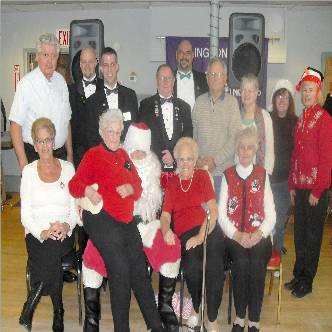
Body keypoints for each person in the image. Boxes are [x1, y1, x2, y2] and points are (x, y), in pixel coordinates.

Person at [78, 122, 181, 332]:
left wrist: (131, 189)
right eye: (110, 131)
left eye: (117, 132)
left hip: (138, 222)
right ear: (102, 132)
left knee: (139, 273)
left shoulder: (126, 160)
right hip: (108, 221)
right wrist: (88, 192)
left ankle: (158, 322)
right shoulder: (96, 155)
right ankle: (93, 319)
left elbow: (138, 186)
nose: (139, 156)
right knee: (119, 269)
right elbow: (76, 185)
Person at [19, 118, 77, 332]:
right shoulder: (28, 172)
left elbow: (74, 209)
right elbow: (25, 215)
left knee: (51, 250)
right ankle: (58, 310)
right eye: (39, 141)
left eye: (48, 140)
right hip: (37, 234)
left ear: (54, 142)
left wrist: (66, 225)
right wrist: (42, 232)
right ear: (34, 145)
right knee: (49, 250)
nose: (44, 146)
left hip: (64, 232)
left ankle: (32, 300)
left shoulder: (69, 169)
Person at [160, 137, 224, 332]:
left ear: (195, 160)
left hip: (208, 229)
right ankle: (197, 307)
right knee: (193, 268)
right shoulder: (172, 184)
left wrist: (200, 236)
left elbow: (213, 211)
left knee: (214, 266)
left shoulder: (203, 177)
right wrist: (166, 230)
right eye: (181, 159)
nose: (185, 163)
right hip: (185, 233)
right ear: (176, 161)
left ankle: (211, 317)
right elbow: (164, 216)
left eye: (189, 159)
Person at [218, 127, 276, 332]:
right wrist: (237, 234)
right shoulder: (227, 175)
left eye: (249, 148)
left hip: (259, 236)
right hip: (235, 237)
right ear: (237, 149)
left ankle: (254, 319)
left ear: (255, 151)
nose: (245, 152)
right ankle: (240, 317)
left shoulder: (263, 175)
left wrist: (259, 233)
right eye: (241, 147)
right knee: (241, 262)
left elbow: (272, 214)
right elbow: (222, 215)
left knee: (257, 262)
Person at [285, 67, 332, 298]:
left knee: (313, 236)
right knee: (300, 234)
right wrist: (292, 185)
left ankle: (307, 280)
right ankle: (299, 273)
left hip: (316, 190)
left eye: (310, 90)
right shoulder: (301, 119)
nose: (306, 94)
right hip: (300, 187)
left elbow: (327, 159)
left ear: (318, 92)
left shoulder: (325, 119)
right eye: (304, 90)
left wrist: (318, 189)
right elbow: (295, 154)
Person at [9, 33, 73, 170]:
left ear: (58, 57)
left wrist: (70, 155)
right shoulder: (26, 84)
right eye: (45, 55)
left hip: (60, 154)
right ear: (37, 57)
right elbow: (15, 126)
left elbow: (66, 121)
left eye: (53, 55)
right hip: (35, 156)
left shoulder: (61, 82)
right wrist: (24, 165)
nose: (49, 60)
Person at [192, 57, 241, 199]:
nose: (215, 78)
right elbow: (194, 138)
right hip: (201, 174)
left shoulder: (232, 103)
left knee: (222, 219)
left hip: (224, 175)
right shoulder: (199, 103)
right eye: (212, 74)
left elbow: (235, 139)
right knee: (203, 219)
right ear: (207, 78)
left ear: (225, 78)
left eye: (219, 74)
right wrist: (197, 161)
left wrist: (215, 161)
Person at [139, 64, 193, 188]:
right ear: (156, 80)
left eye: (169, 78)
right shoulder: (145, 105)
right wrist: (162, 155)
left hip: (179, 168)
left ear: (174, 81)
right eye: (162, 78)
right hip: (153, 169)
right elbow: (143, 136)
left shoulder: (185, 107)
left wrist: (174, 154)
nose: (165, 81)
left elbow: (188, 136)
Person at [84, 47, 138, 150]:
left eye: (112, 64)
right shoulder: (92, 101)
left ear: (117, 67)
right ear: (100, 68)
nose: (109, 69)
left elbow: (134, 128)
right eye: (105, 65)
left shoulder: (130, 96)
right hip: (103, 157)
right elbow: (91, 136)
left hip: (126, 154)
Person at [269, 79, 298, 254]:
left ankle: (276, 256)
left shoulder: (296, 122)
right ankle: (264, 255)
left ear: (290, 101)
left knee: (279, 223)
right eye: (279, 95)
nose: (282, 99)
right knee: (265, 221)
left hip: (284, 183)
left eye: (286, 97)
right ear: (274, 98)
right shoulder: (266, 118)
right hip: (266, 180)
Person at [69, 47, 104, 168]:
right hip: (78, 158)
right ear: (79, 64)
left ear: (96, 62)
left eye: (90, 61)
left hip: (101, 154)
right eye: (84, 61)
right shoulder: (70, 91)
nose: (87, 65)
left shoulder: (106, 88)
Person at [239, 74, 274, 175]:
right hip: (239, 172)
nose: (246, 94)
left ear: (256, 93)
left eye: (250, 91)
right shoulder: (235, 116)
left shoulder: (265, 116)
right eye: (244, 90)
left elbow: (269, 150)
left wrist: (265, 175)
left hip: (259, 173)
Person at [173, 39, 208, 110]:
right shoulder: (168, 79)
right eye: (181, 52)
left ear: (192, 55)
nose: (184, 56)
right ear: (176, 55)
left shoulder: (204, 79)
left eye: (187, 53)